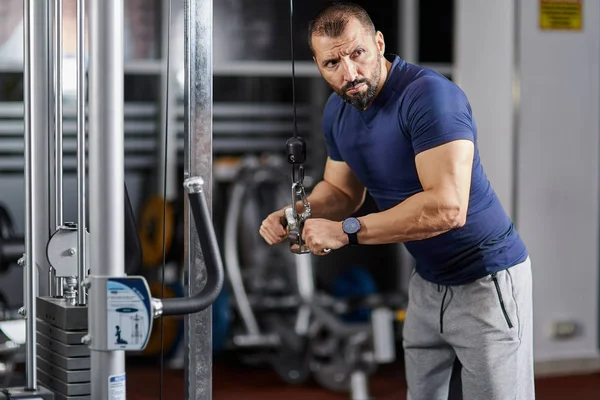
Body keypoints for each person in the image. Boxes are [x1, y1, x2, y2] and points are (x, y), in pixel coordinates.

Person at [259, 2, 534, 399]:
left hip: (486, 278)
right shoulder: (339, 109)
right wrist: (295, 214)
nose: (349, 73)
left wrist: (346, 232)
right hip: (427, 281)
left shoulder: (429, 97)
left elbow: (447, 208)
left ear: (379, 43)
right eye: (332, 63)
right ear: (318, 65)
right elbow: (342, 193)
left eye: (357, 54)